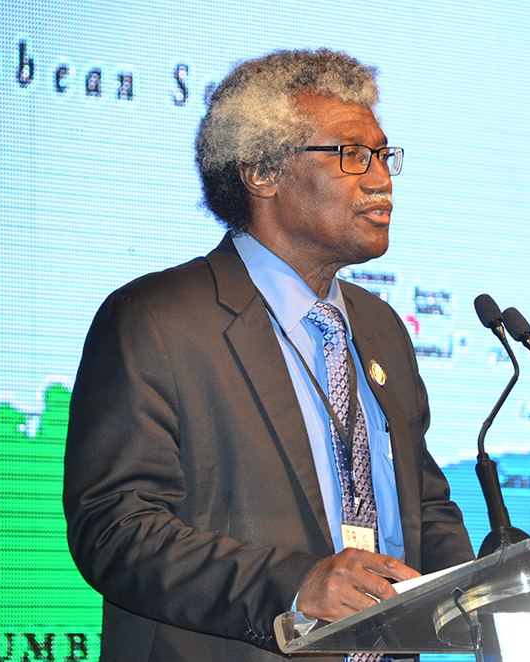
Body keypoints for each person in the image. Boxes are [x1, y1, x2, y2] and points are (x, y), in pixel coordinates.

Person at [63, 49, 474, 662]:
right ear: (261, 172)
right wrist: (295, 588)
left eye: (384, 155)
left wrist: (482, 592)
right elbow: (116, 528)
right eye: (352, 155)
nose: (381, 179)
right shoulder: (157, 320)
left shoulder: (380, 327)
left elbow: (423, 505)